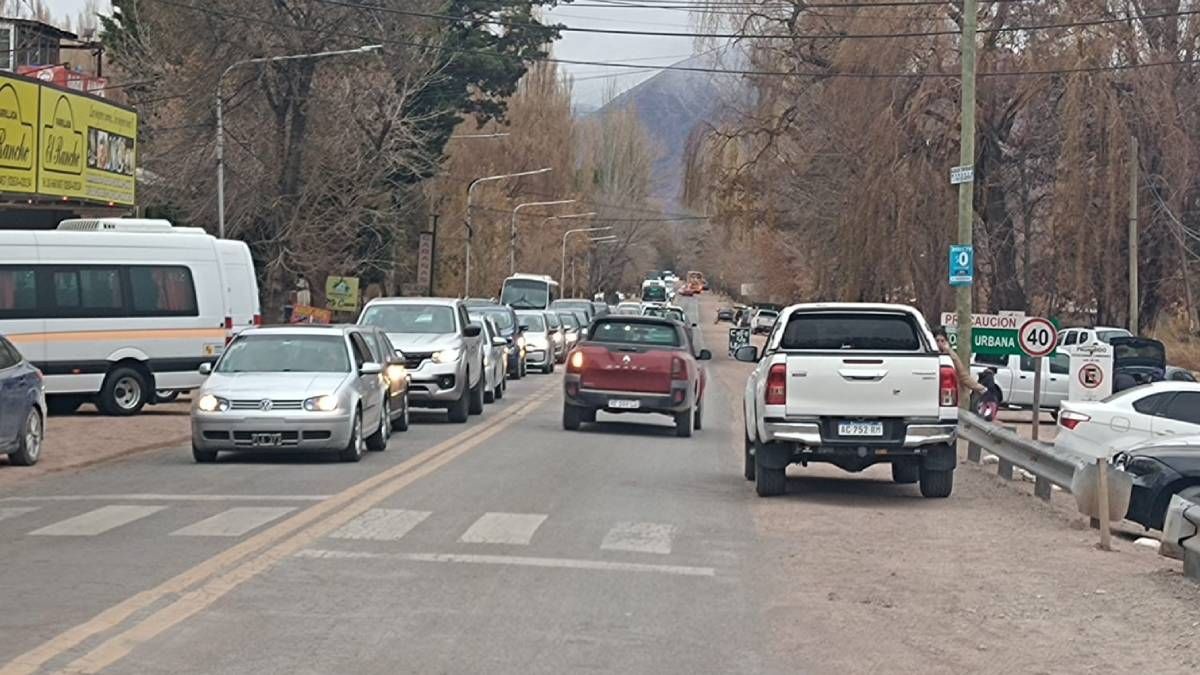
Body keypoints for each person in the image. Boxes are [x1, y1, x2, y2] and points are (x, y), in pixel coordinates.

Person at [932, 326, 987, 400]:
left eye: (942, 341)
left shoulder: (951, 356)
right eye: (937, 341)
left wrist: (980, 388)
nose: (940, 344)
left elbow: (963, 376)